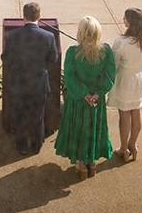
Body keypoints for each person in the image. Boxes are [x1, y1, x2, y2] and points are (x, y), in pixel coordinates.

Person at [55, 15, 115, 179]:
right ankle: (92, 163)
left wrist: (84, 94)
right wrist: (97, 93)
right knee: (93, 128)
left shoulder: (73, 52)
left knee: (79, 129)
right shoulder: (106, 51)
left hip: (77, 100)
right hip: (97, 100)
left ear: (80, 33)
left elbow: (69, 76)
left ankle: (81, 164)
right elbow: (110, 76)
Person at [1, 3, 59, 156]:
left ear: (23, 16)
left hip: (19, 84)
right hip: (39, 84)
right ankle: (36, 144)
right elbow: (53, 59)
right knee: (38, 116)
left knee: (19, 114)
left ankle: (21, 145)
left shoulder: (12, 36)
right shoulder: (48, 36)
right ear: (39, 17)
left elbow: (5, 59)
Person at [108, 8, 142, 163]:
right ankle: (133, 144)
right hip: (141, 78)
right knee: (137, 111)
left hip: (126, 79)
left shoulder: (122, 42)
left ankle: (123, 148)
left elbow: (113, 64)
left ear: (128, 22)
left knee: (124, 114)